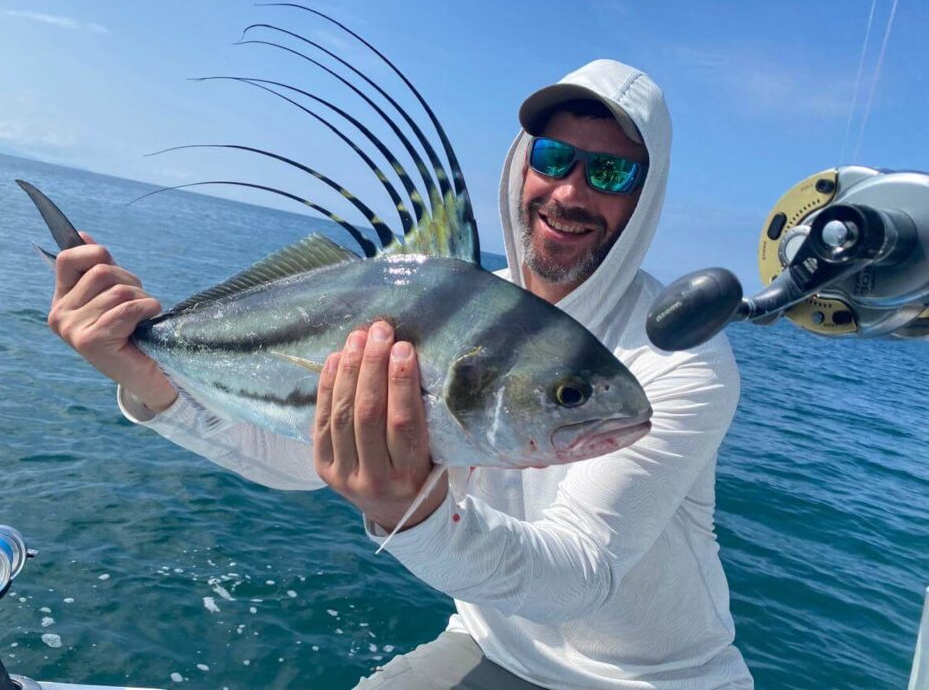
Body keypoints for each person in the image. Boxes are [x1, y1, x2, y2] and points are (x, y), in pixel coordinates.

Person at [47, 60, 753, 689]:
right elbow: (301, 457)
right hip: (487, 645)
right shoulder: (464, 301)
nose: (570, 192)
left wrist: (406, 508)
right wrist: (147, 374)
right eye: (554, 156)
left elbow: (579, 574)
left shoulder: (679, 356)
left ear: (644, 198)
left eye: (609, 172)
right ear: (521, 166)